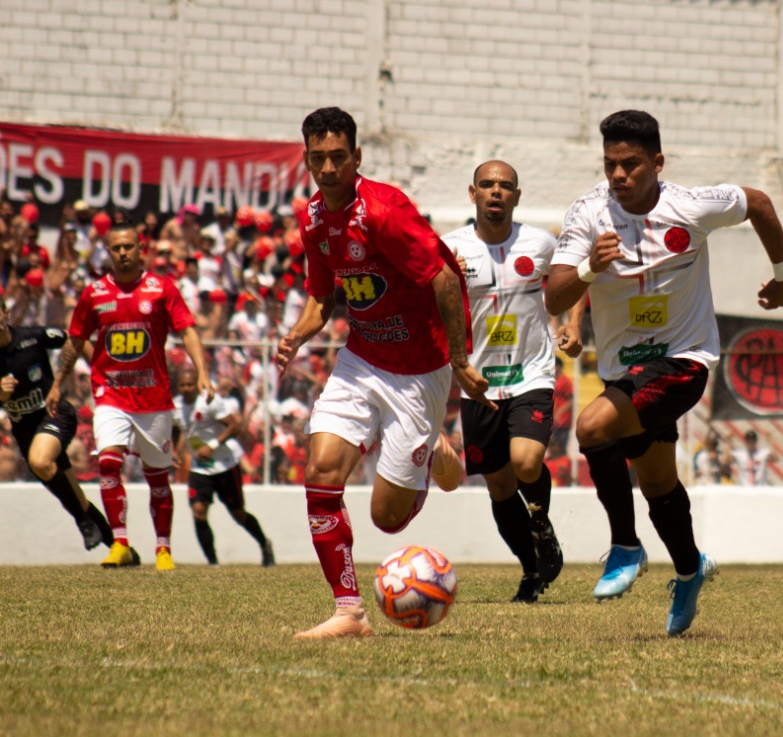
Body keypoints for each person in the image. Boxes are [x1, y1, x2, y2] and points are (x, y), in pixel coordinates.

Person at [545, 109, 783, 635]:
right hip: (624, 371)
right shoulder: (589, 214)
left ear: (657, 162)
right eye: (611, 164)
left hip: (685, 359)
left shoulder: (690, 206)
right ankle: (688, 570)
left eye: (631, 164)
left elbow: (761, 204)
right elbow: (555, 291)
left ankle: (625, 547)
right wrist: (591, 265)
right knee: (658, 482)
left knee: (590, 427)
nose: (618, 175)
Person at [276, 107, 482, 640]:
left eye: (338, 157)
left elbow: (441, 280)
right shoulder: (314, 217)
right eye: (317, 158)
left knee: (386, 519)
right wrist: (298, 334)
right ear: (306, 159)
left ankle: (434, 449)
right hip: (362, 359)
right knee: (320, 472)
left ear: (357, 157)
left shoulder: (385, 211)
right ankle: (349, 613)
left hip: (420, 372)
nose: (328, 168)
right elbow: (323, 298)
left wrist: (459, 362)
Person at [441, 160, 586, 602]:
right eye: (487, 185)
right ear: (473, 194)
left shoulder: (540, 242)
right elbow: (430, 305)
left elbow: (578, 277)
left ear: (517, 196)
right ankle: (532, 572)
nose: (496, 192)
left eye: (505, 186)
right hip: (479, 383)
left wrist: (572, 325)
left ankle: (540, 523)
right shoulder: (450, 249)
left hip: (532, 374)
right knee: (500, 486)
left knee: (526, 464)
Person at [48, 223, 215, 571]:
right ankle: (120, 543)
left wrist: (202, 372)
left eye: (128, 247)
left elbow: (188, 331)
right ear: (108, 252)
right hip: (110, 395)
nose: (122, 253)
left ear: (141, 249)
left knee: (158, 476)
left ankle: (163, 549)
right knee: (108, 462)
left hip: (154, 399)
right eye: (116, 248)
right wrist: (57, 382)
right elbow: (75, 340)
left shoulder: (161, 289)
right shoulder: (94, 293)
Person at [0, 301, 113, 552]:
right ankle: (120, 549)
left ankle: (84, 524)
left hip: (55, 414)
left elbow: (77, 339)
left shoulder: (32, 337)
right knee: (76, 498)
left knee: (40, 462)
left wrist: (100, 375)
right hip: (26, 432)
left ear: (5, 314)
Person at [171, 367, 274, 567]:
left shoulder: (209, 402)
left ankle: (264, 543)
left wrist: (212, 445)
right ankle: (213, 562)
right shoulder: (175, 406)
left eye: (190, 384)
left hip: (225, 464)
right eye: (182, 385)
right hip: (199, 468)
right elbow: (174, 429)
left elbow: (235, 425)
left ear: (197, 384)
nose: (186, 388)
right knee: (198, 511)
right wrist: (175, 451)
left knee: (238, 513)